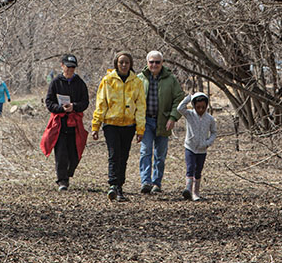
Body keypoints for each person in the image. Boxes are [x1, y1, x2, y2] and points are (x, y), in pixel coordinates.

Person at [91, 51, 145, 202]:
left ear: (130, 64)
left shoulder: (137, 82)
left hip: (129, 125)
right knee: (114, 155)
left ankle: (120, 187)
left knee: (124, 156)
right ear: (116, 64)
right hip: (111, 124)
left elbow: (140, 107)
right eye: (121, 62)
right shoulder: (108, 80)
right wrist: (96, 126)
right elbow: (101, 104)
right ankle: (113, 185)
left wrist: (140, 129)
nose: (124, 65)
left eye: (126, 62)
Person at [39, 54, 89, 191]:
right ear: (62, 65)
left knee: (74, 153)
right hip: (59, 123)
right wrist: (61, 108)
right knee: (61, 153)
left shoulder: (80, 83)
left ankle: (68, 172)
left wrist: (74, 106)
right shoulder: (55, 82)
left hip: (75, 123)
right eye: (68, 67)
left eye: (73, 68)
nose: (70, 70)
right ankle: (62, 181)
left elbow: (85, 102)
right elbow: (49, 102)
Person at [137, 50, 184, 194]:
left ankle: (157, 183)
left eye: (157, 62)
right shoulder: (139, 79)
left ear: (162, 63)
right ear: (147, 63)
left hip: (163, 121)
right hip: (145, 121)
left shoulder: (170, 79)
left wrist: (173, 117)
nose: (154, 64)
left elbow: (179, 99)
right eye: (151, 62)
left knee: (160, 154)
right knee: (145, 151)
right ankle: (146, 182)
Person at [177, 92, 217, 201]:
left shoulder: (209, 119)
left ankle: (196, 193)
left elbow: (214, 132)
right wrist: (188, 98)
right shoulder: (189, 115)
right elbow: (179, 108)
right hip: (190, 147)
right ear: (194, 106)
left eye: (203, 107)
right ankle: (188, 189)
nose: (200, 109)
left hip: (202, 149)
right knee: (190, 168)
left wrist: (208, 143)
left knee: (198, 170)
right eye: (198, 107)